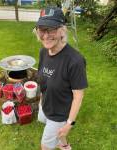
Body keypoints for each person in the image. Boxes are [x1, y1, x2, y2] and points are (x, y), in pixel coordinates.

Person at [34, 6, 88, 150]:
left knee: (45, 146)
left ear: (62, 30)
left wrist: (69, 123)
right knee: (57, 133)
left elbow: (78, 96)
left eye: (51, 29)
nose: (45, 35)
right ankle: (65, 146)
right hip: (46, 105)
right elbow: (43, 79)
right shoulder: (43, 52)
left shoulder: (75, 60)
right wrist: (41, 100)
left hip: (59, 114)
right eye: (42, 29)